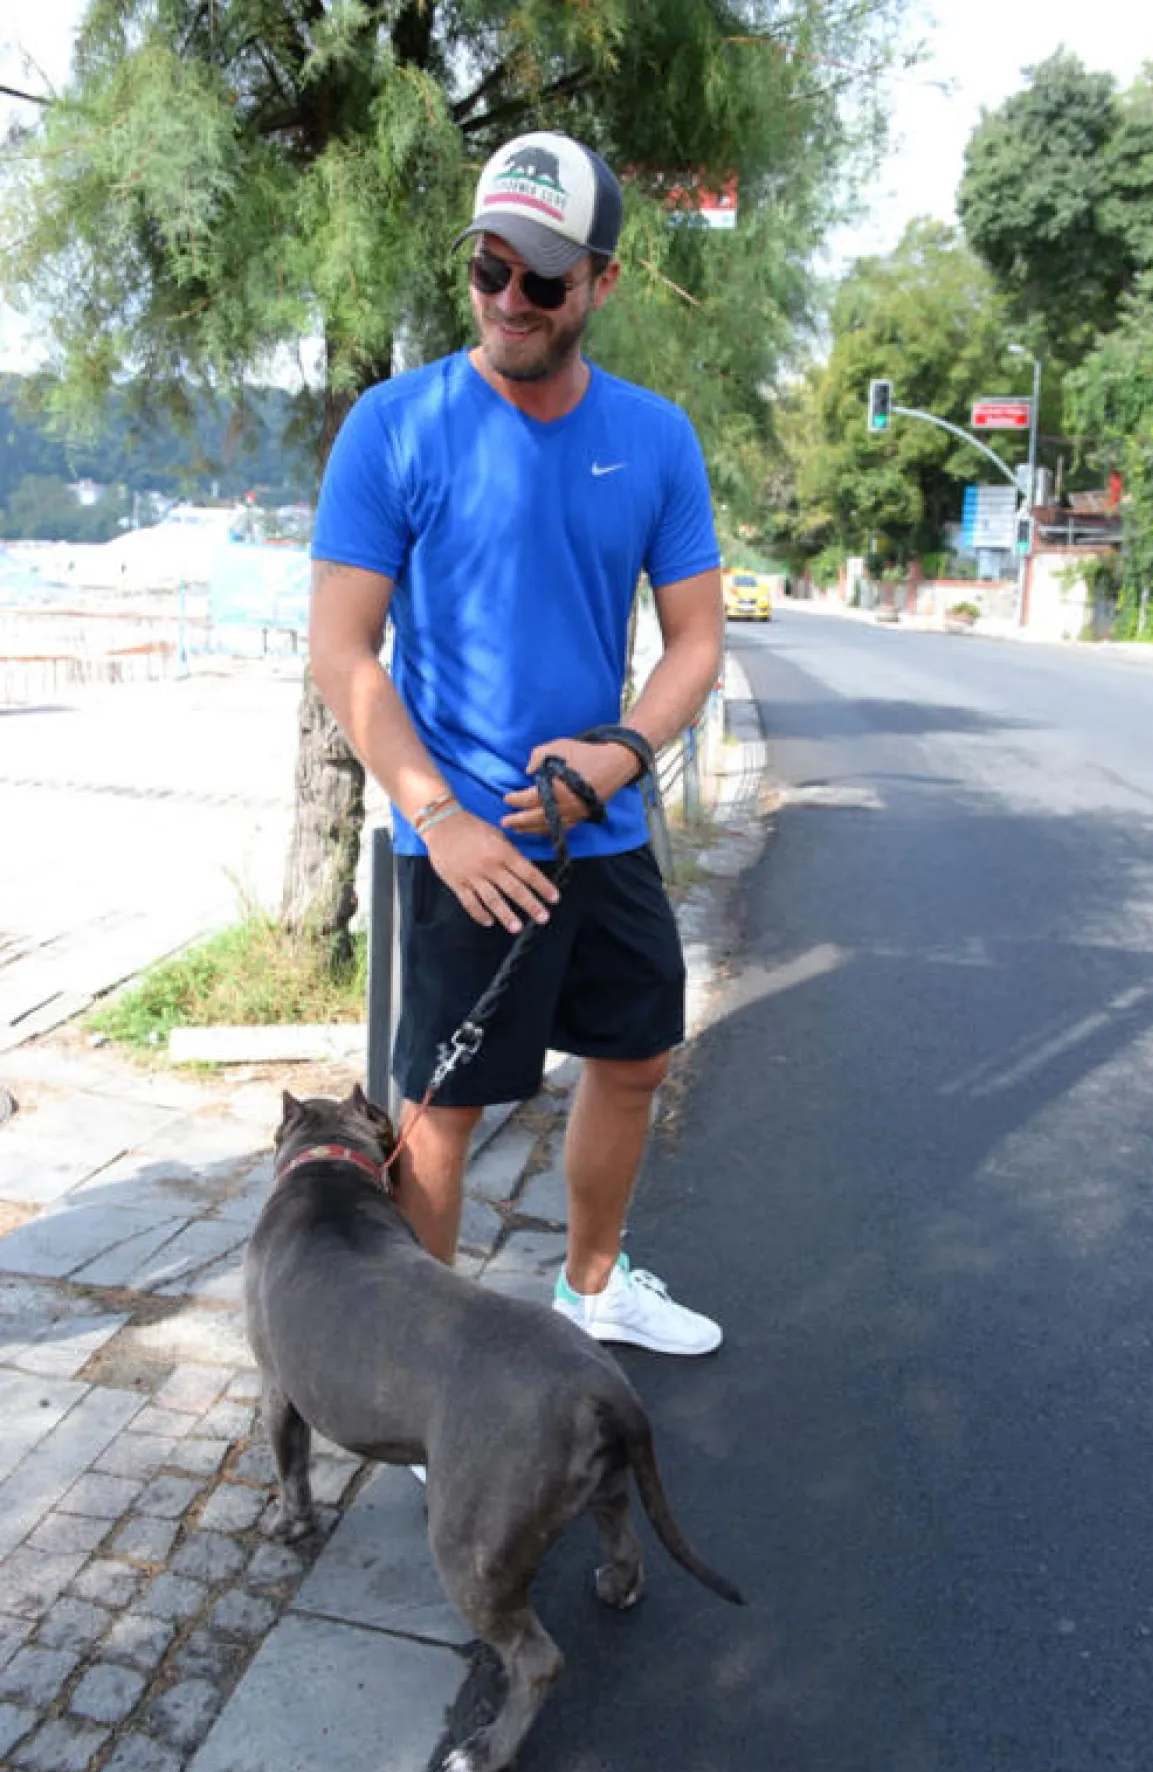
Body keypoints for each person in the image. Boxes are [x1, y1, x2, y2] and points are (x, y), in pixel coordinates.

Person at [308, 129, 724, 1356]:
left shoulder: (656, 436)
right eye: (489, 268)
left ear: (601, 280)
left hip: (602, 825)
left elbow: (695, 642)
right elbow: (343, 652)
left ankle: (591, 1284)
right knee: (444, 1110)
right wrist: (437, 817)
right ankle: (427, 1368)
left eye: (542, 277)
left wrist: (621, 754)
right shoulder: (395, 426)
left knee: (636, 1056)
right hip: (463, 846)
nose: (508, 299)